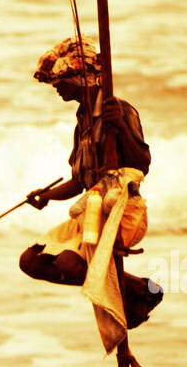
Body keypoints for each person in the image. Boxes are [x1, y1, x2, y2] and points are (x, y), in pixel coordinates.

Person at [19, 36, 162, 339]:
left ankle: (136, 289)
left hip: (122, 211)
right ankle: (138, 287)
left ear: (79, 77)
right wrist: (46, 196)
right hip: (93, 210)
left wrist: (119, 127)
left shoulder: (118, 110)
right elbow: (77, 181)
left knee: (71, 265)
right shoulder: (82, 119)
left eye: (60, 80)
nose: (56, 87)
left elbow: (142, 164)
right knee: (31, 260)